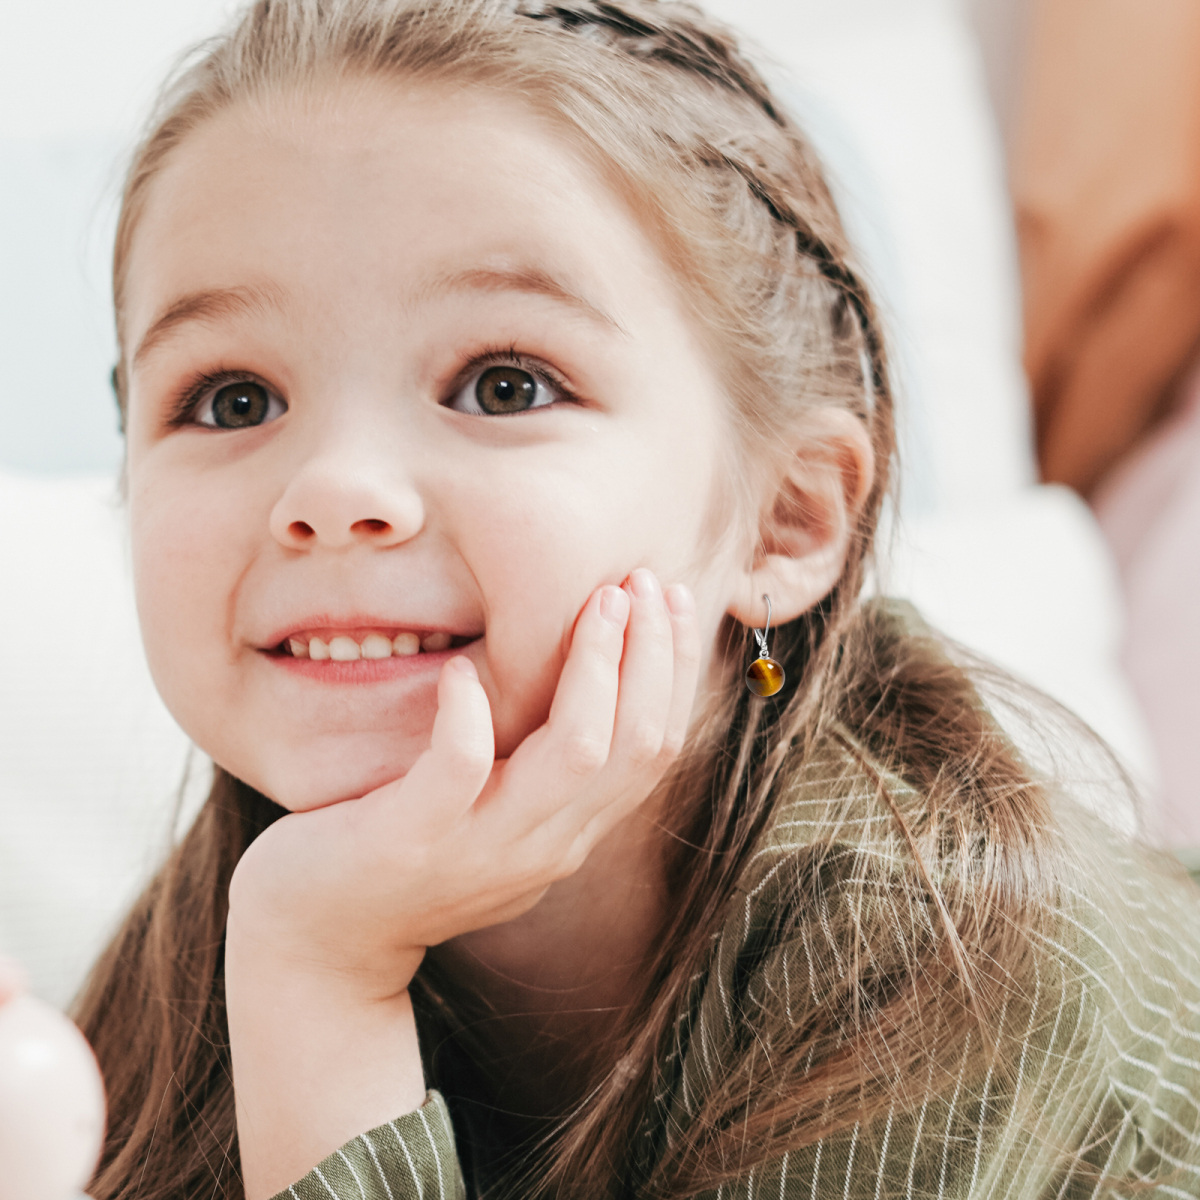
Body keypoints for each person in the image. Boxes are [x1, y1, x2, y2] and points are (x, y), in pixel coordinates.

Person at [24, 0, 1197, 1197]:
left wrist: (320, 987)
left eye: (504, 383)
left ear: (785, 521)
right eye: (231, 400)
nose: (331, 491)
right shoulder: (279, 887)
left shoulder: (937, 945)